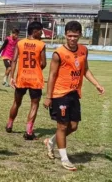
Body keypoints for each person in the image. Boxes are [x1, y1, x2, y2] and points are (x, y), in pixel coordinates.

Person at [43, 21, 104, 171]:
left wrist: (96, 84)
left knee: (74, 126)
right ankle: (64, 159)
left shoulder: (84, 50)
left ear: (80, 35)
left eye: (75, 36)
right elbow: (52, 75)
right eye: (69, 36)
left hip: (74, 93)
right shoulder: (59, 53)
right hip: (59, 94)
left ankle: (51, 141)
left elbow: (85, 70)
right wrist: (48, 96)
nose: (72, 39)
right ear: (65, 35)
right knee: (62, 126)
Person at [6, 21, 46, 140]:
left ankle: (9, 124)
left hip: (21, 78)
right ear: (35, 31)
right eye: (40, 31)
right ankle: (28, 131)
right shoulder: (41, 45)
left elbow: (13, 60)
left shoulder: (20, 43)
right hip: (35, 79)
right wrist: (37, 68)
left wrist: (12, 76)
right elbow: (43, 63)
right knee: (34, 104)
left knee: (16, 102)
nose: (41, 33)